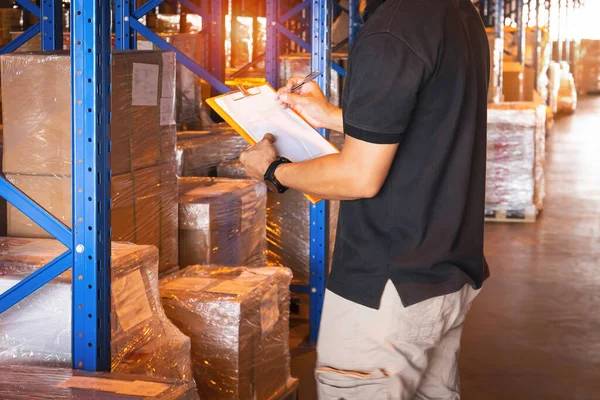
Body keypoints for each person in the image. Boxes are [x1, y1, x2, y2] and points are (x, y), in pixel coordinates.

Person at [239, 0, 490, 398]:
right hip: (446, 272)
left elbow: (359, 177)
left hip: (387, 290)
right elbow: (428, 121)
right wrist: (329, 115)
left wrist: (271, 170)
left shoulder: (391, 30)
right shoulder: (455, 14)